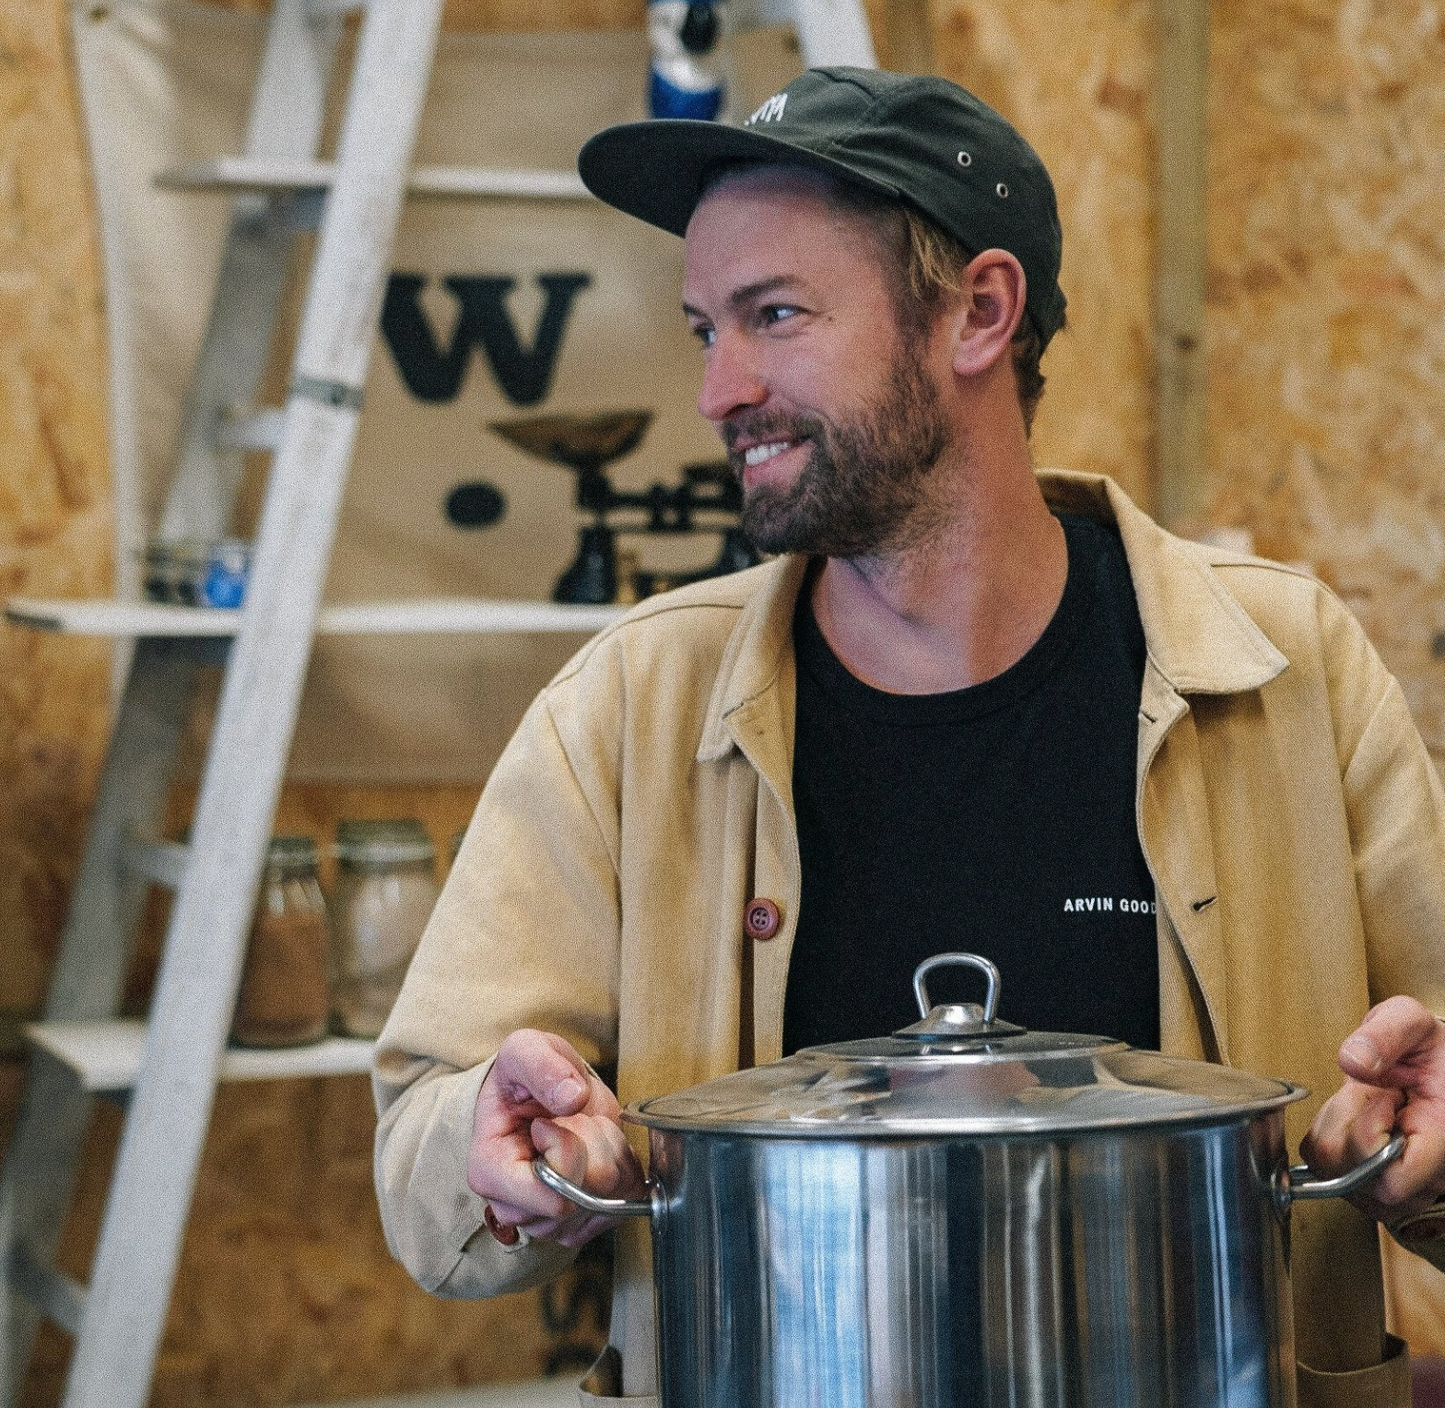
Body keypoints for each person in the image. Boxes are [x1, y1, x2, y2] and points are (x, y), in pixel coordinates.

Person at [374, 67, 1445, 1406]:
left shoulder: (1290, 673)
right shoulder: (630, 710)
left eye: (774, 315)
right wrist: (500, 1148)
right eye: (707, 326)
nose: (718, 388)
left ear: (979, 314)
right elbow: (424, 1167)